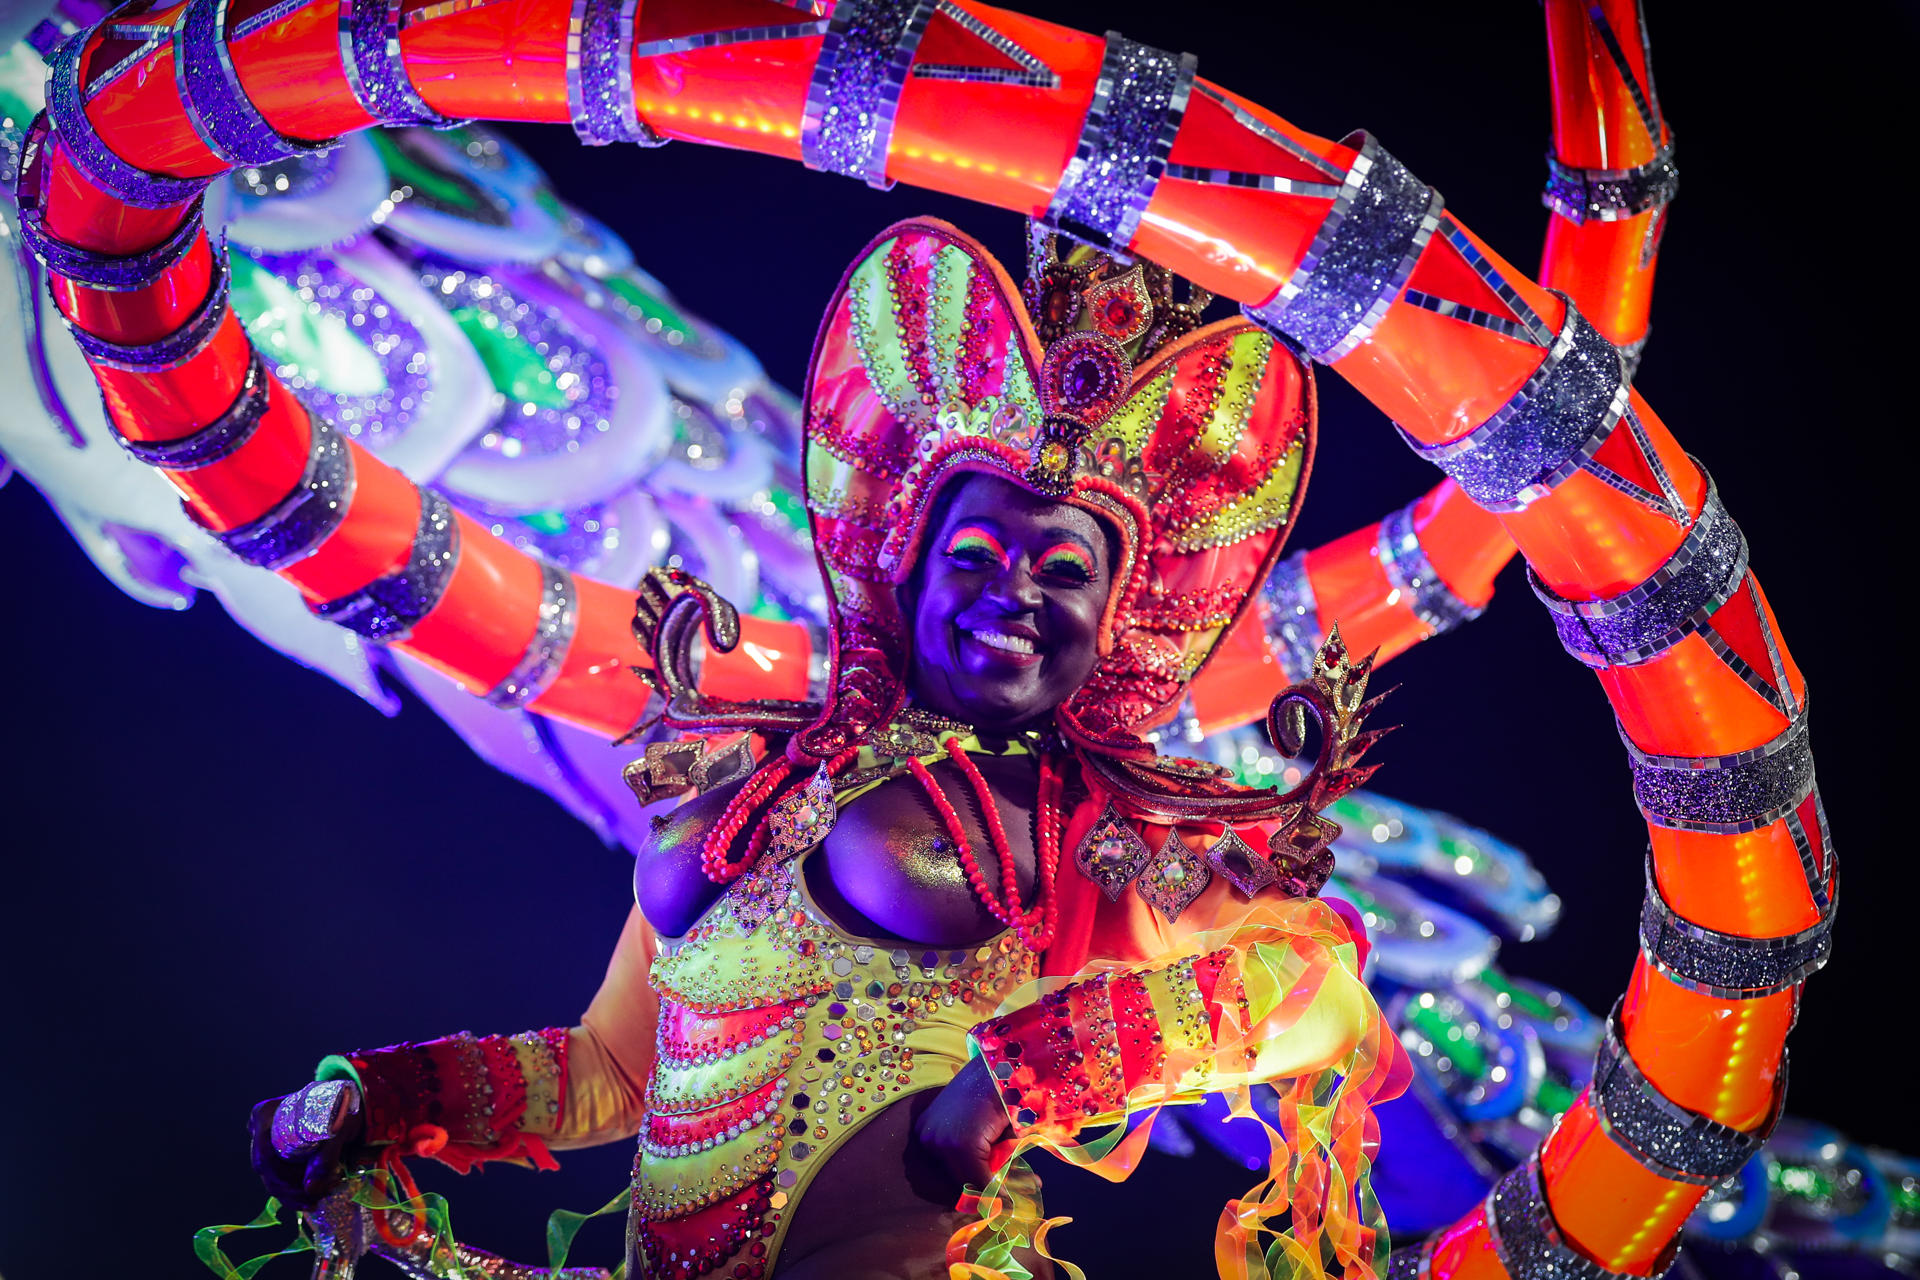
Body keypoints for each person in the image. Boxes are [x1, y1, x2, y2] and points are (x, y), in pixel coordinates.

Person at [12, 1, 1833, 1278]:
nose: (1018, 594)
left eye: (1072, 574)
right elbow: (611, 1082)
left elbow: (1310, 988)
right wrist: (390, 1103)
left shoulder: (1079, 837)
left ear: (1126, 624)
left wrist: (1018, 1087)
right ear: (901, 552)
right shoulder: (740, 789)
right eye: (987, 545)